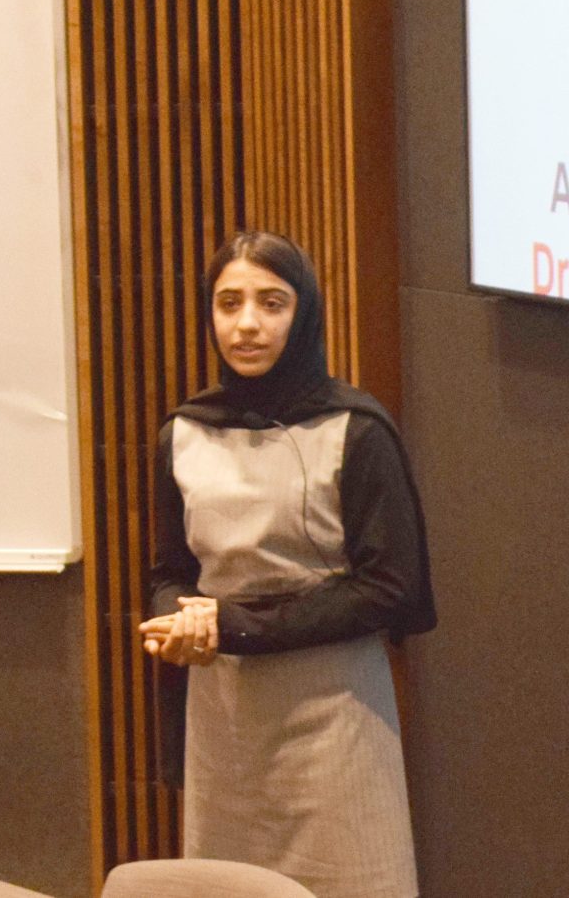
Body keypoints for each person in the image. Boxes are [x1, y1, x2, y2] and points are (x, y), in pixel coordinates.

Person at [144, 231, 434, 898]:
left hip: (335, 713)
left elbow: (393, 586)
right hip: (226, 716)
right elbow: (167, 573)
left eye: (271, 302)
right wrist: (176, 621)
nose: (246, 323)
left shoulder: (356, 428)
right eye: (228, 302)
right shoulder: (183, 432)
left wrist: (232, 624)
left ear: (302, 313)